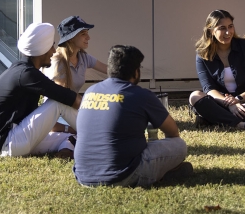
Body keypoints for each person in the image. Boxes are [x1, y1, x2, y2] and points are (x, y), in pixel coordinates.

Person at [74, 45, 192, 187]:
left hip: (83, 175)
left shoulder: (90, 91)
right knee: (179, 145)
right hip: (123, 175)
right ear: (136, 72)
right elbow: (172, 132)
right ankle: (164, 173)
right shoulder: (140, 95)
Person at [0, 22, 82, 157]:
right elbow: (67, 97)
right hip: (10, 143)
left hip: (15, 140)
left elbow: (40, 120)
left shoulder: (22, 70)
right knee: (59, 102)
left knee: (74, 136)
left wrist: (68, 129)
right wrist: (97, 111)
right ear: (41, 50)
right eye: (51, 46)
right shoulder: (26, 74)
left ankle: (65, 150)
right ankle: (101, 136)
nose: (54, 51)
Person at [189, 9, 245, 129]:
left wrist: (237, 100)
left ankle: (215, 119)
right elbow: (209, 89)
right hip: (219, 104)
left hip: (244, 103)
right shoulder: (202, 54)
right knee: (195, 96)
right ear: (211, 31)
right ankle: (240, 125)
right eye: (222, 28)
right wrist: (229, 104)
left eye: (230, 26)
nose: (228, 32)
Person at [47, 16, 108, 93]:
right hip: (60, 104)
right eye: (83, 34)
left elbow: (110, 70)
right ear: (71, 38)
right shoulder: (57, 61)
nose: (88, 37)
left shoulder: (84, 58)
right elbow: (61, 95)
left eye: (87, 33)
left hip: (73, 103)